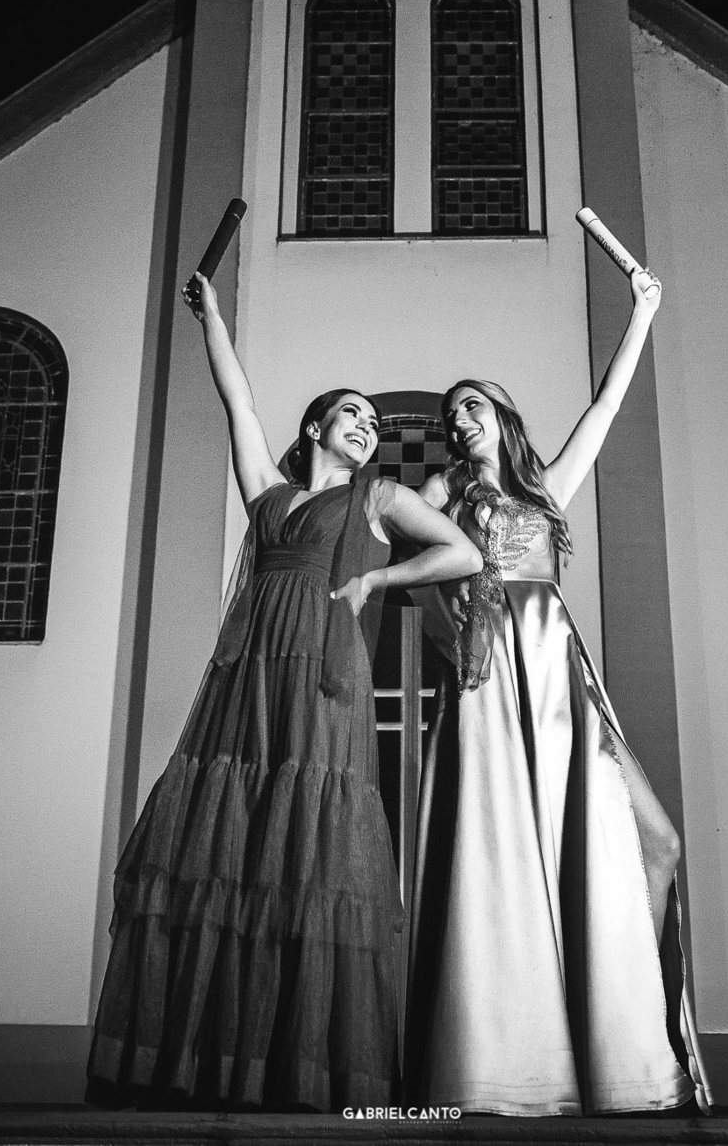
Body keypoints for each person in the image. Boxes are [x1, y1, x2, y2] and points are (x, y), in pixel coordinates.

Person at [87, 276, 482, 1112]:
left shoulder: (378, 497)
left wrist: (378, 582)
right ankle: (206, 1061)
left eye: (374, 423)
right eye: (352, 414)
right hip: (250, 676)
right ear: (316, 428)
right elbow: (237, 400)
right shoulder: (268, 494)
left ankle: (301, 1069)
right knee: (233, 842)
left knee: (309, 847)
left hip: (324, 677)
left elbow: (464, 554)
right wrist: (213, 319)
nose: (367, 426)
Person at [406, 266, 711, 1116]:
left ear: (503, 416)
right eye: (451, 414)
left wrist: (643, 312)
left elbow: (605, 407)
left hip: (560, 673)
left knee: (655, 843)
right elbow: (404, 563)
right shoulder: (443, 491)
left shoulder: (545, 488)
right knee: (506, 855)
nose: (459, 420)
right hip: (491, 675)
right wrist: (451, 623)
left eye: (473, 406)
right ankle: (513, 1066)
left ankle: (630, 1045)